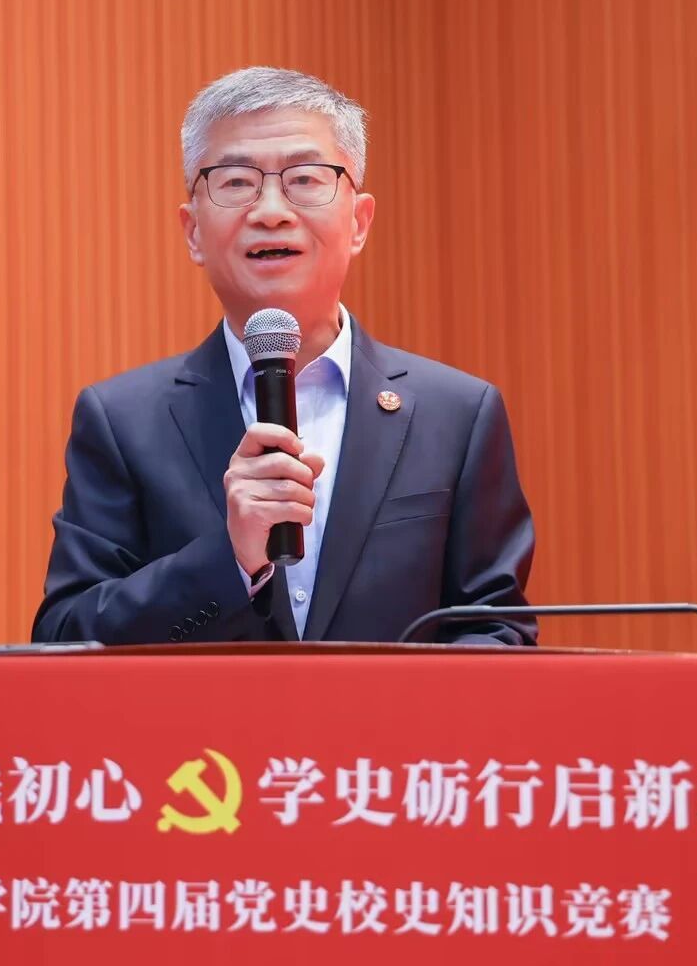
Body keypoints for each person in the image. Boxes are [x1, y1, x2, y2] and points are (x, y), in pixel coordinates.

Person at [31, 67, 536, 647]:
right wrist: (230, 560)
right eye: (236, 181)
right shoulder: (122, 421)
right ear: (193, 232)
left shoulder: (457, 415)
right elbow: (65, 636)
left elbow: (497, 630)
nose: (271, 210)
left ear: (359, 222)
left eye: (304, 179)